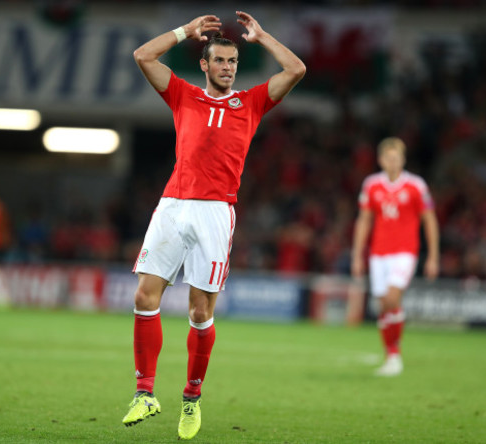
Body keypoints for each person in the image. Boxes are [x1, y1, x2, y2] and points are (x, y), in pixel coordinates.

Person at [123, 11, 305, 440]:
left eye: (233, 62)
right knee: (145, 296)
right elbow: (143, 56)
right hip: (172, 205)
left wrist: (262, 38)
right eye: (220, 61)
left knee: (199, 311)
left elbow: (296, 69)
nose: (227, 67)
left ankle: (191, 397)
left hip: (214, 213)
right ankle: (144, 392)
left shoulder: (252, 102)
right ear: (204, 65)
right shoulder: (183, 96)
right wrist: (184, 32)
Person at [351, 137, 439, 377]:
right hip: (378, 253)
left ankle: (395, 355)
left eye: (397, 157)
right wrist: (357, 255)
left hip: (405, 252)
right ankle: (390, 354)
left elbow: (429, 220)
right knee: (383, 306)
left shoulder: (416, 186)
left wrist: (432, 256)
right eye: (389, 157)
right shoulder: (371, 185)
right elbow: (364, 221)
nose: (393, 161)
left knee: (391, 297)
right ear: (380, 160)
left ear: (403, 159)